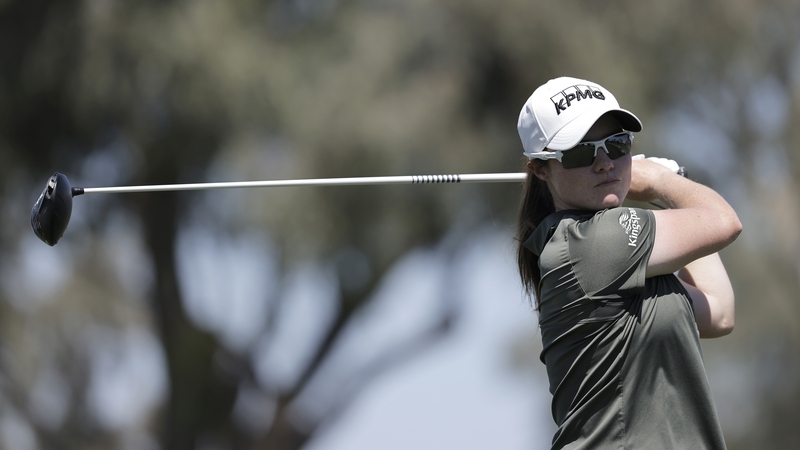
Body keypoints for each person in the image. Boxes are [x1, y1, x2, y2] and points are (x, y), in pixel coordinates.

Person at [515, 77, 742, 450]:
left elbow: (719, 312)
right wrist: (661, 183)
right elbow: (724, 221)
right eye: (580, 153)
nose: (605, 163)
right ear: (541, 168)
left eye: (616, 145)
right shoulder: (592, 241)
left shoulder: (629, 259)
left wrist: (672, 187)